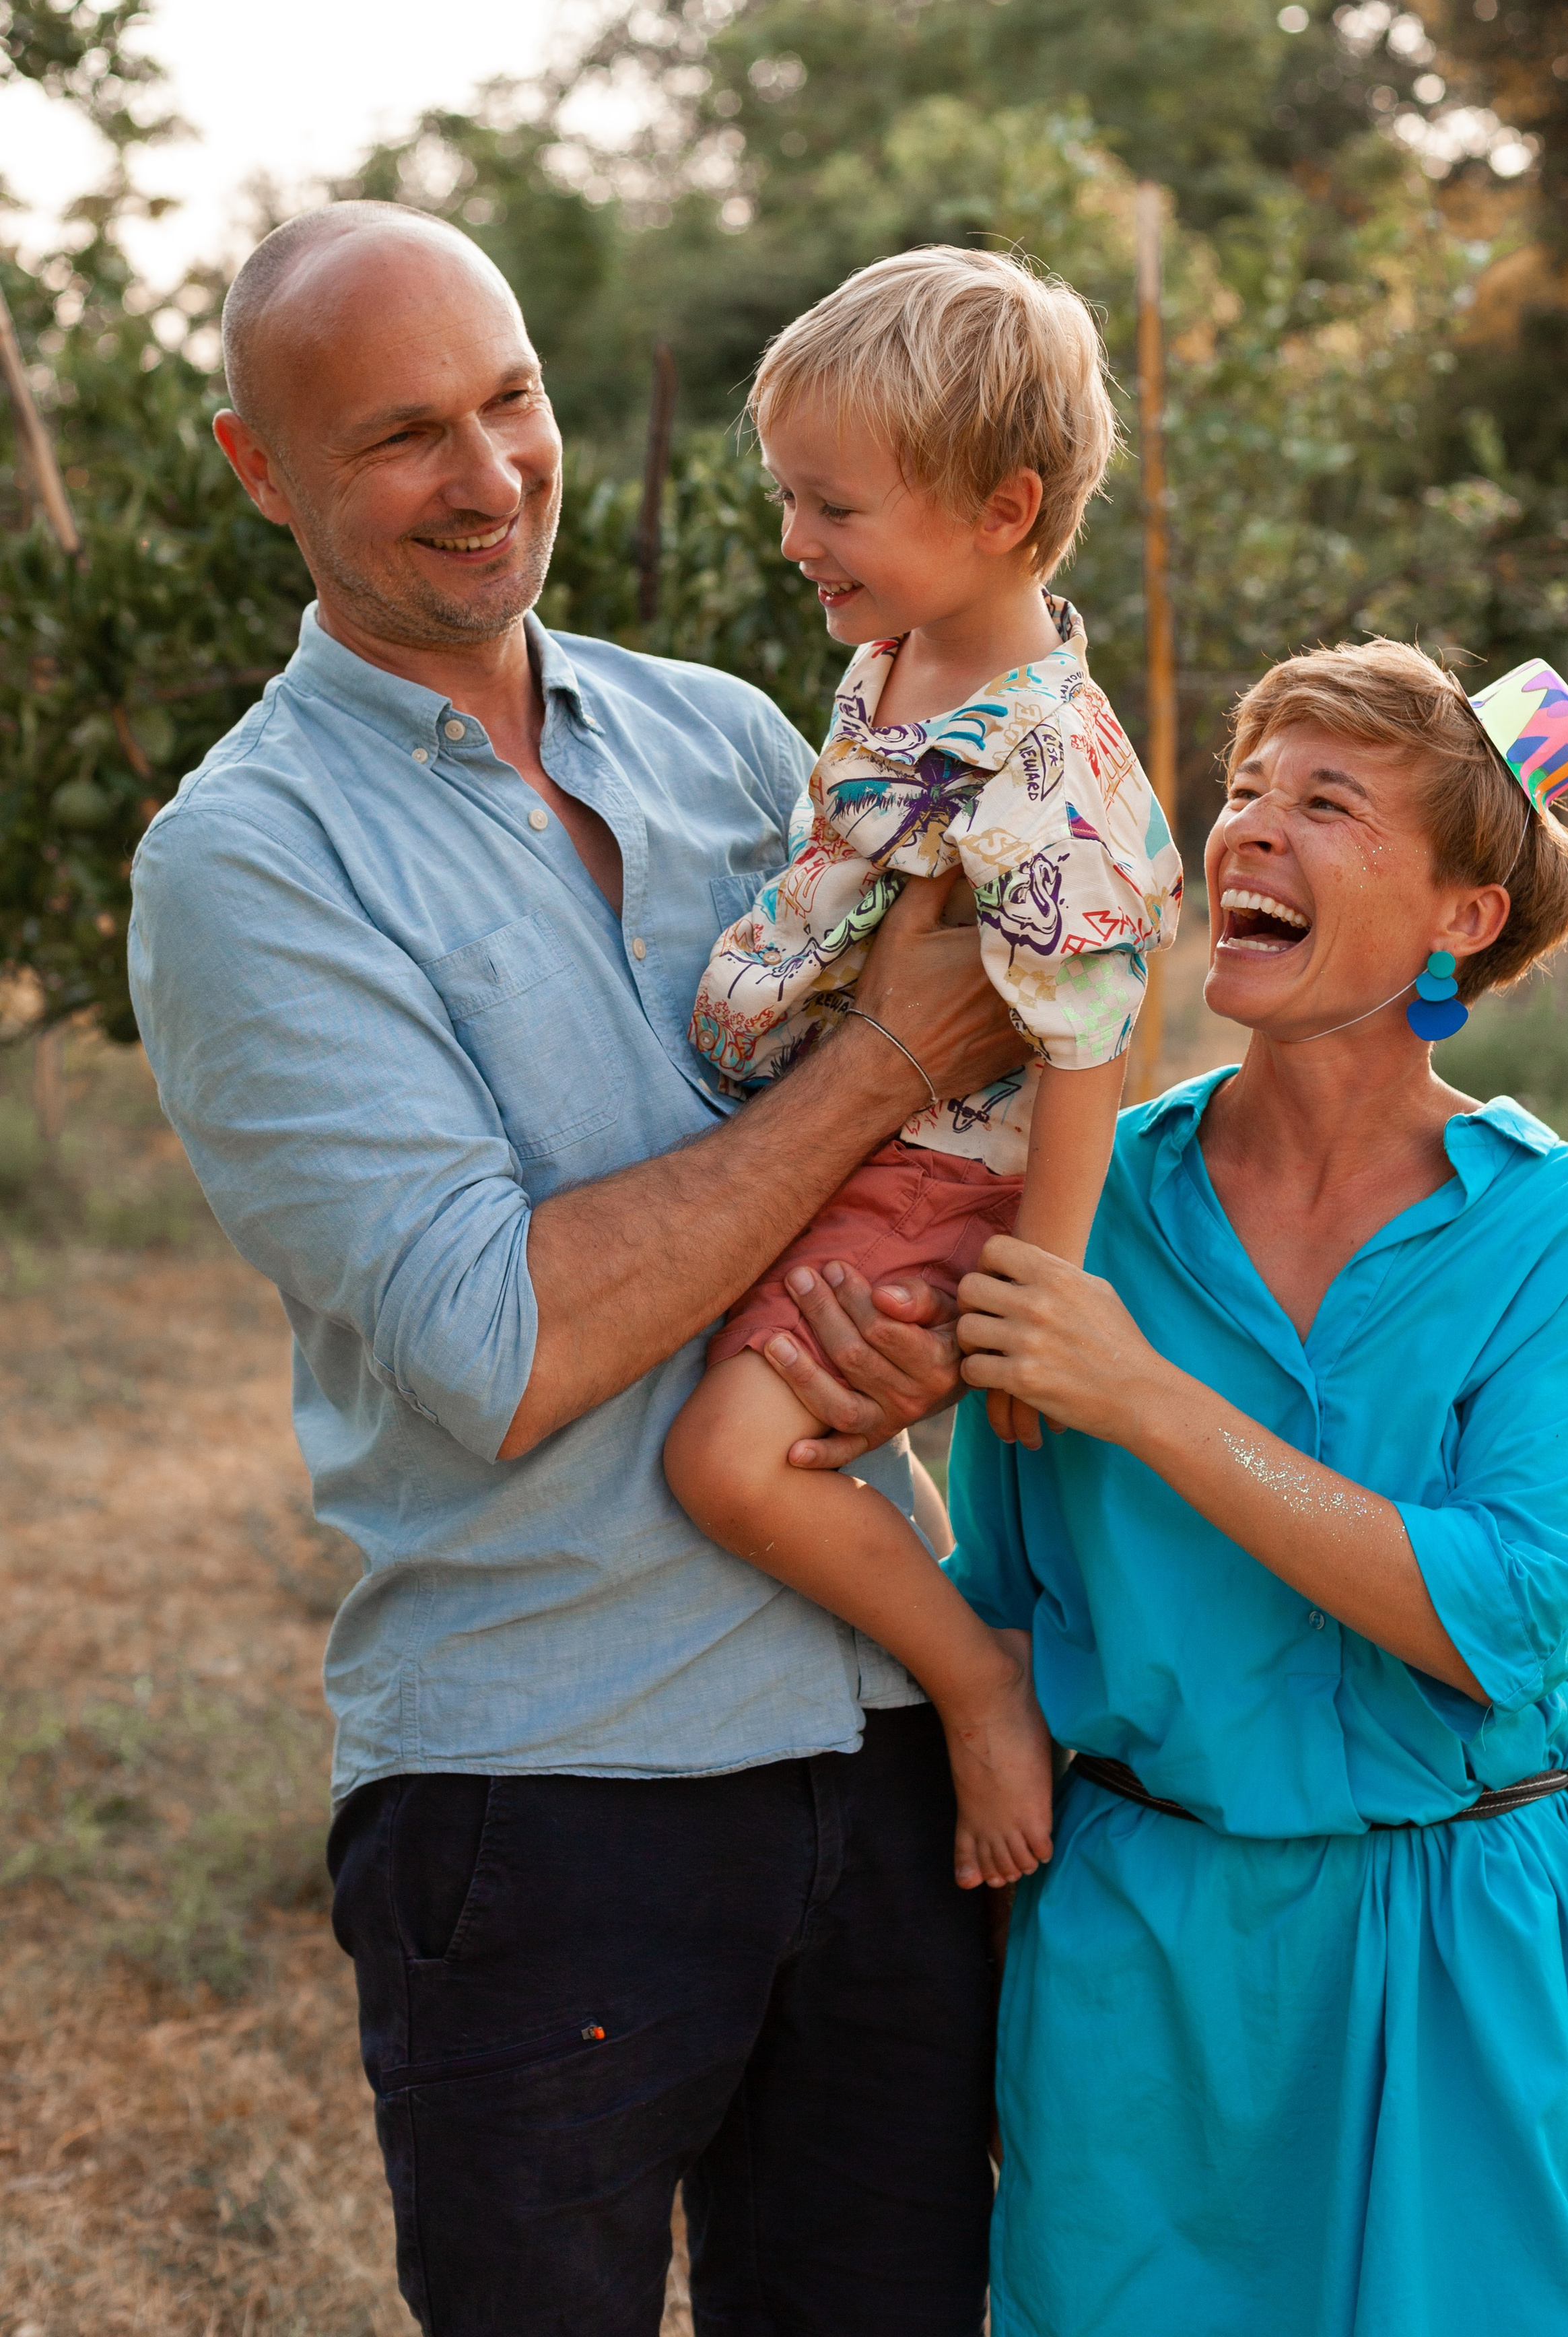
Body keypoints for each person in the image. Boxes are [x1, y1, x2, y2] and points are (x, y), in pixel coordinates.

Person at [127, 201, 1016, 2337]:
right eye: (404, 436)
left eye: (512, 399)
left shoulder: (725, 734)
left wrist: (922, 1344)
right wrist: (885, 1055)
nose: (492, 471)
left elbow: (961, 1134)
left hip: (883, 1743)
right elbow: (497, 1341)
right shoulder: (249, 862)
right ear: (263, 468)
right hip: (548, 1800)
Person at [944, 639, 1568, 2336]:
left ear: (1457, 919)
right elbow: (1003, 1586)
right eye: (1244, 791)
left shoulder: (1562, 1230)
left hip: (1467, 1949)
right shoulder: (1082, 1200)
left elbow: (1505, 1611)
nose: (1246, 831)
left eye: (1324, 802)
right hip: (1141, 1957)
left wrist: (1147, 1397)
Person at [663, 250, 1182, 1893]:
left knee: (725, 1461)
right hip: (863, 1136)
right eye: (789, 498)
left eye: (833, 508)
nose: (796, 540)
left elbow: (1090, 1039)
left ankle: (977, 1683)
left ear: (1000, 508)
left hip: (941, 1170)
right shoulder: (896, 656)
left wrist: (1041, 1295)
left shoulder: (1045, 760)